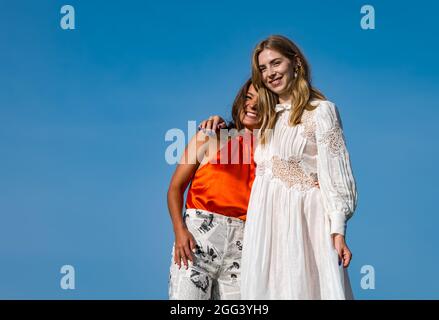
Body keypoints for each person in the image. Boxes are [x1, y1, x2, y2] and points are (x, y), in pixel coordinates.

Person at [238, 35, 358, 299]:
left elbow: (335, 172)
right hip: (265, 226)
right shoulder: (267, 119)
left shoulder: (321, 111)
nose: (270, 73)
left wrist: (338, 231)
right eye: (263, 69)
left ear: (296, 63)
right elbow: (235, 134)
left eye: (275, 63)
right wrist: (214, 123)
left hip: (304, 223)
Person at [167, 79, 260, 299]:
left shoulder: (271, 152)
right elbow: (175, 188)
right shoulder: (210, 135)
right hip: (197, 242)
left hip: (244, 246)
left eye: (261, 101)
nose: (252, 105)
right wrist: (180, 231)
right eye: (248, 97)